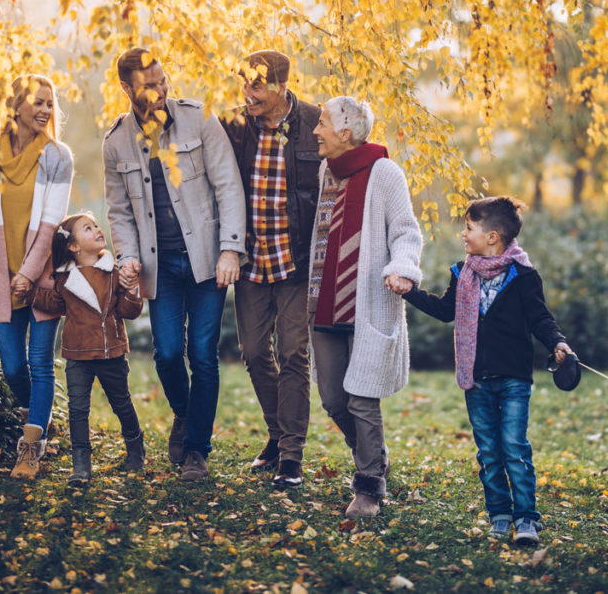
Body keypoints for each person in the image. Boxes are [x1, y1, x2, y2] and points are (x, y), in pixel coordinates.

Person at [103, 47, 246, 482]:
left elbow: (228, 186)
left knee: (203, 355)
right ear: (126, 88)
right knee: (166, 354)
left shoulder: (200, 119)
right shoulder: (115, 142)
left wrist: (230, 248)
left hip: (206, 260)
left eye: (164, 80)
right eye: (150, 85)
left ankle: (196, 451)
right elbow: (119, 211)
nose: (162, 90)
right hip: (158, 267)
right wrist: (127, 257)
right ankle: (185, 414)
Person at [403, 196, 574, 546]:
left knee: (514, 447)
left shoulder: (524, 276)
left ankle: (526, 518)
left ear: (492, 236)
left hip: (513, 378)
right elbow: (444, 311)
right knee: (489, 452)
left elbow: (540, 318)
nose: (463, 235)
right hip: (476, 378)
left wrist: (558, 342)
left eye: (469, 228)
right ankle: (499, 513)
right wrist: (411, 292)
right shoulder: (462, 273)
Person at [307, 96, 423, 518]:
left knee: (361, 398)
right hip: (323, 303)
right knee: (333, 398)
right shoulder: (327, 171)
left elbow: (407, 232)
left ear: (345, 131)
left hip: (368, 302)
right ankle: (373, 454)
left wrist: (404, 268)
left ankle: (370, 486)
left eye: (322, 124)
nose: (316, 130)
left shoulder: (385, 172)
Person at [221, 50, 322, 488]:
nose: (248, 93)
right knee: (257, 352)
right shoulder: (233, 126)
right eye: (244, 84)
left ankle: (291, 456)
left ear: (281, 86)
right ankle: (278, 434)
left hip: (297, 261)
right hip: (251, 258)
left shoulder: (315, 122)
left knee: (293, 353)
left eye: (257, 85)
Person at [0, 74, 73, 480]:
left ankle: (30, 448)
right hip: (0, 271)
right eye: (38, 102)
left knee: (40, 364)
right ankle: (41, 417)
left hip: (42, 275)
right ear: (16, 106)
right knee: (13, 368)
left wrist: (29, 275)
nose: (46, 110)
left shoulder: (57, 156)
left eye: (51, 103)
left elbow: (50, 225)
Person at [31, 212, 144, 485]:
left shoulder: (114, 272)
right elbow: (53, 303)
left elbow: (130, 311)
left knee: (121, 403)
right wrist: (28, 292)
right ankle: (81, 464)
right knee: (78, 410)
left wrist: (131, 291)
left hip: (111, 353)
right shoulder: (64, 279)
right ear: (73, 247)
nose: (97, 230)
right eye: (87, 228)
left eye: (95, 226)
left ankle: (135, 445)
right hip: (77, 355)